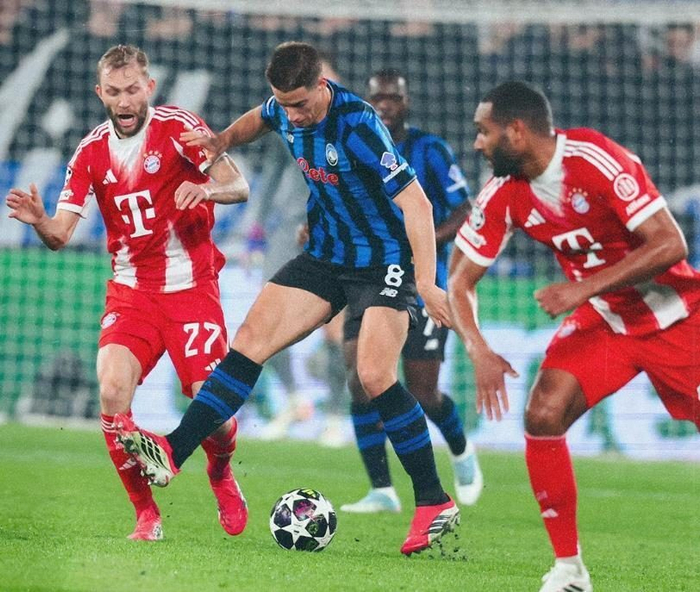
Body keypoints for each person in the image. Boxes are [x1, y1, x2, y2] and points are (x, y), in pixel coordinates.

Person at [114, 41, 459, 556]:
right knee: (249, 341)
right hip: (326, 255)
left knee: (373, 375)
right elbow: (261, 117)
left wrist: (427, 283)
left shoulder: (358, 124)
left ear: (322, 85)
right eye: (284, 103)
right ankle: (172, 450)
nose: (292, 115)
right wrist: (221, 140)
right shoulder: (284, 107)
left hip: (384, 261)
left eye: (299, 104)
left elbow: (418, 204)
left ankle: (433, 501)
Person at [448, 80, 700, 592]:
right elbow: (458, 280)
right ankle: (569, 571)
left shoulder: (595, 160)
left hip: (676, 316)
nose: (477, 143)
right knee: (543, 413)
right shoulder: (504, 194)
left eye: (483, 132)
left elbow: (670, 244)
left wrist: (582, 288)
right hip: (605, 322)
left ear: (516, 132)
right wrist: (479, 349)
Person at [5, 44, 250, 541]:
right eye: (114, 92)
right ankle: (146, 514)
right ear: (100, 93)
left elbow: (239, 186)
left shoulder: (180, 128)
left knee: (214, 411)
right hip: (132, 292)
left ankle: (221, 471)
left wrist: (206, 189)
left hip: (192, 289)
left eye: (133, 89)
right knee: (112, 390)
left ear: (149, 87)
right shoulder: (90, 153)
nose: (124, 100)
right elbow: (60, 236)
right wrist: (40, 222)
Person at [340, 69, 481, 514]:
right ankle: (382, 490)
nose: (384, 104)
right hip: (367, 278)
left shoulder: (430, 150)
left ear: (407, 102)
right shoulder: (354, 145)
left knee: (423, 393)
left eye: (393, 97)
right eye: (376, 97)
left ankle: (460, 449)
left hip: (422, 284)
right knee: (359, 381)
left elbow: (465, 209)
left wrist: (425, 239)